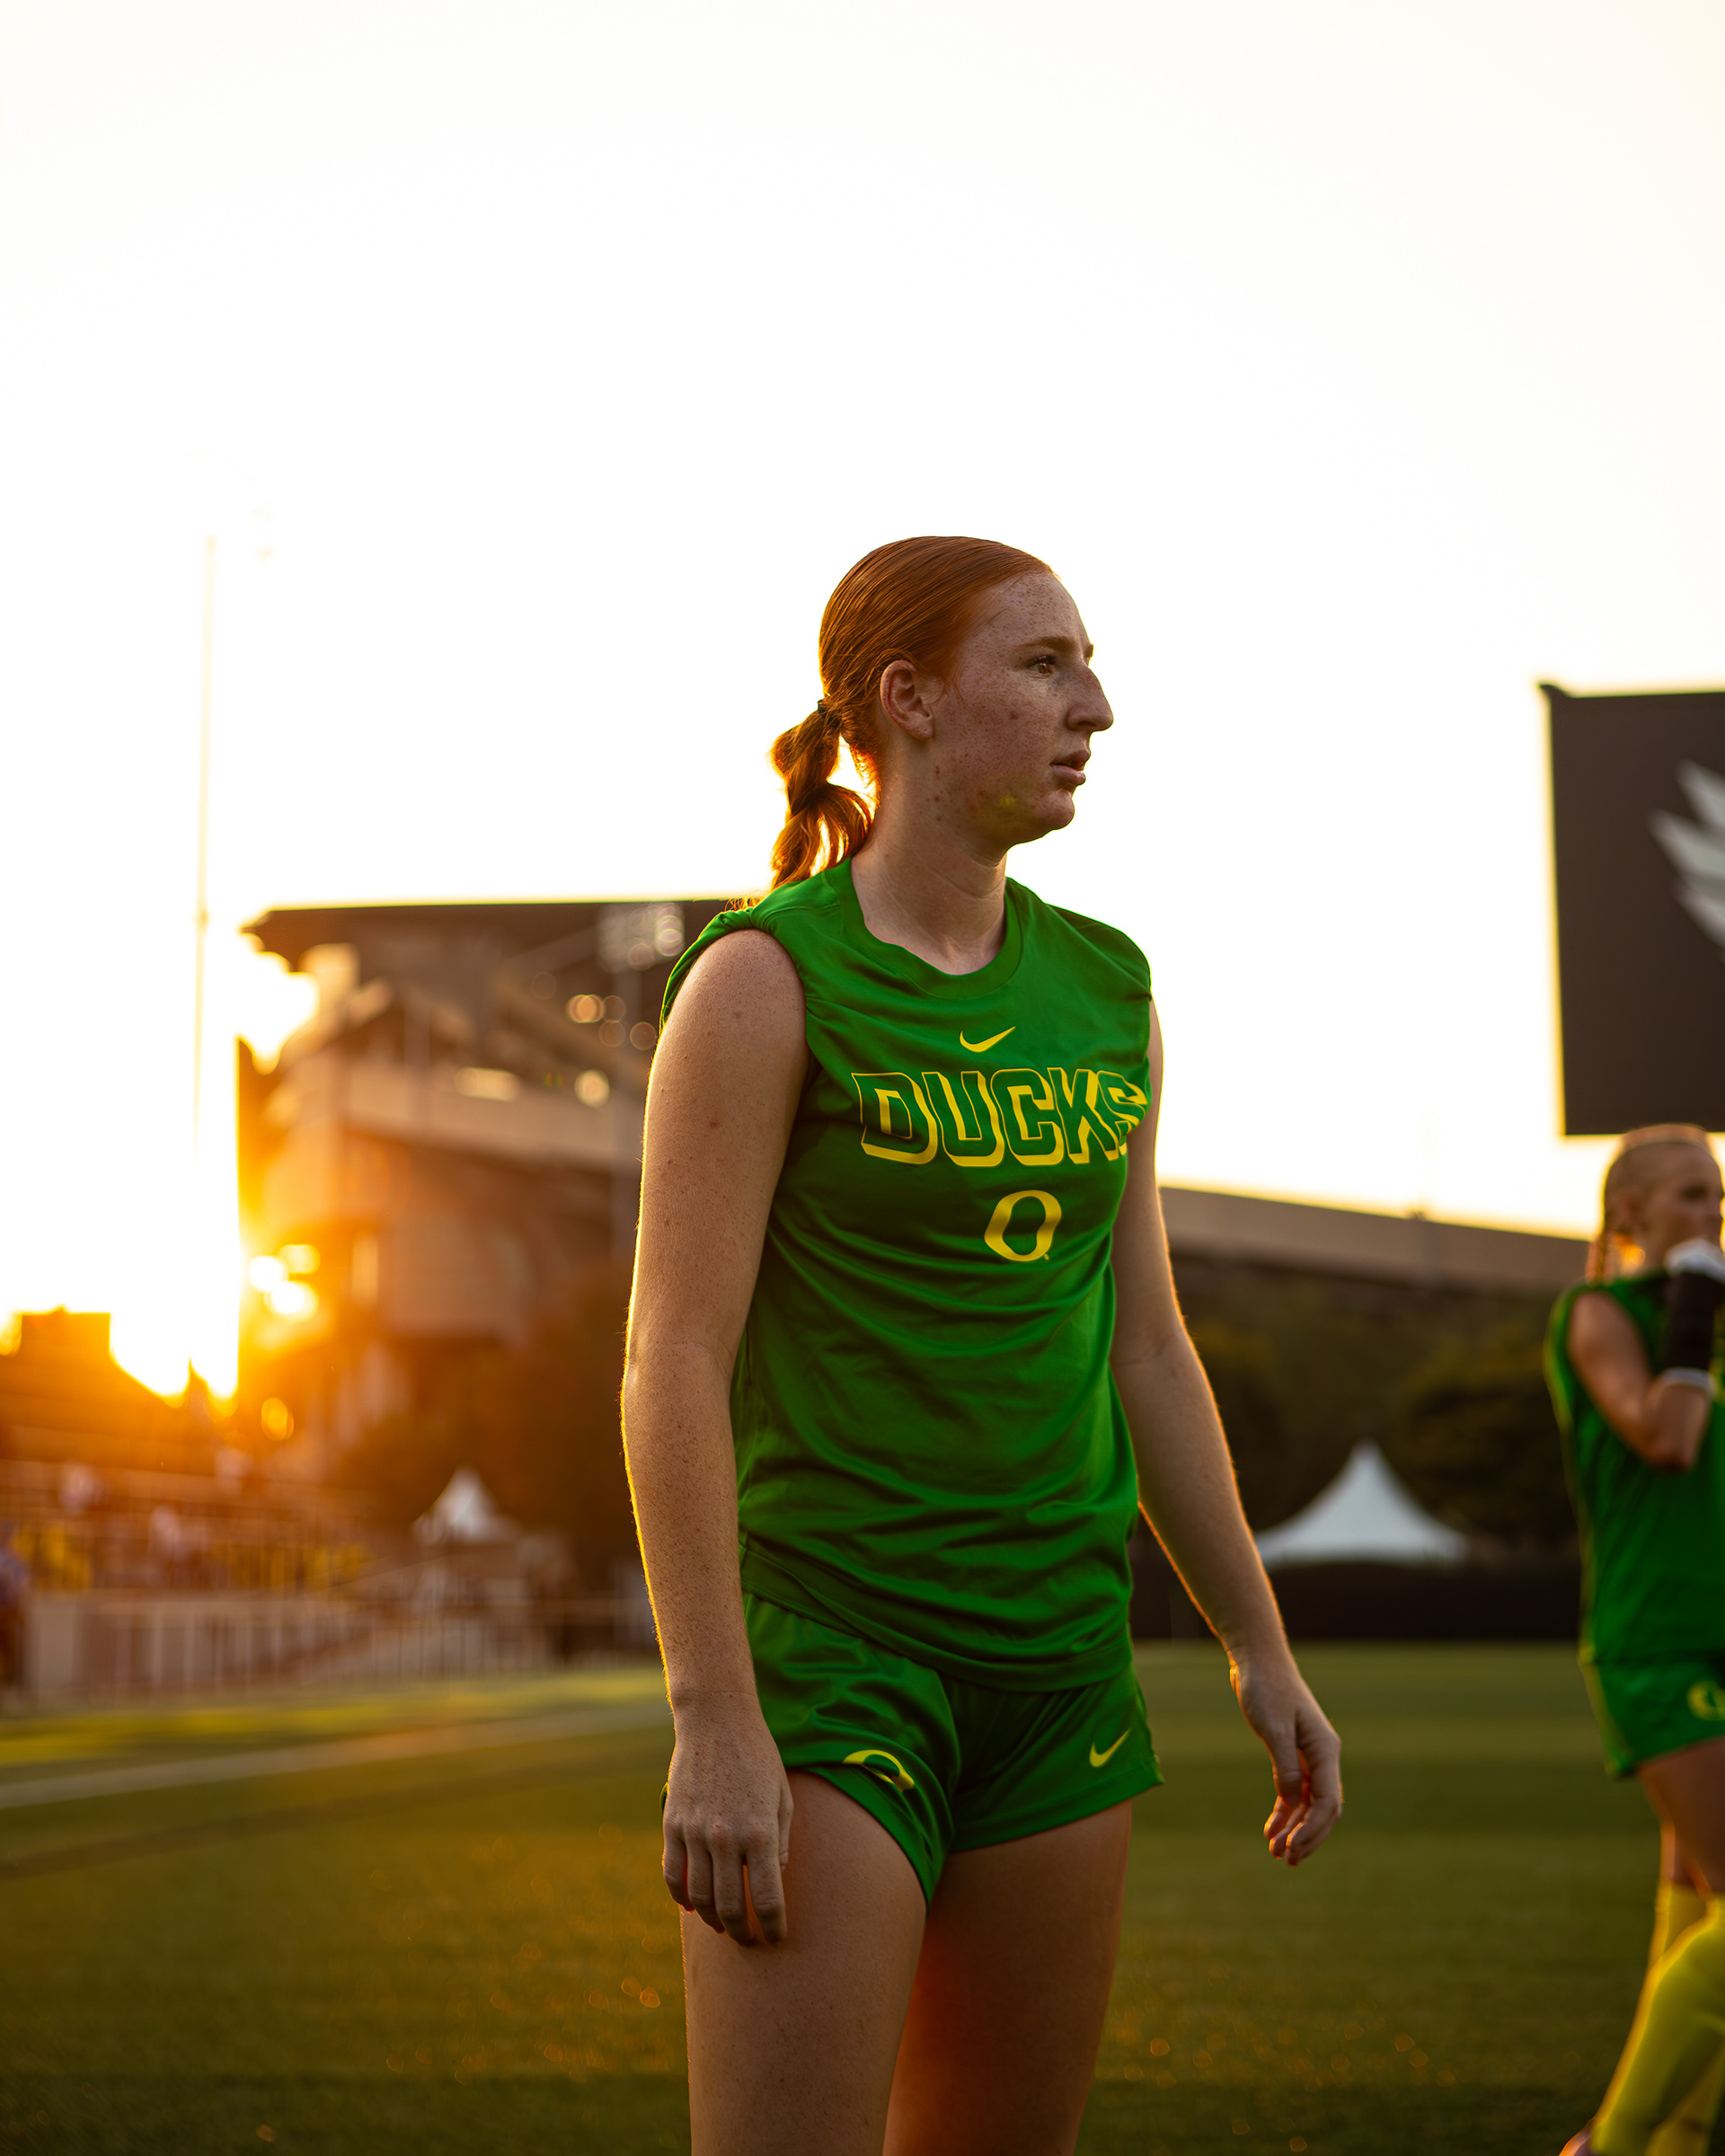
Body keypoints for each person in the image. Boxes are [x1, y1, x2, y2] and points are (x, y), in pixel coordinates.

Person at [622, 535, 1343, 2156]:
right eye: (1044, 664)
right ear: (911, 699)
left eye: (1087, 663)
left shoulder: (1110, 987)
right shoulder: (762, 980)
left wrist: (1259, 1642)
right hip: (835, 1667)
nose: (1096, 706)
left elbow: (1147, 1349)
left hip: (1061, 1668)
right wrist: (715, 1712)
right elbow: (671, 1357)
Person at [1547, 1126, 1725, 2156]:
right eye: (1692, 1195)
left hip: (1718, 1632)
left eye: (1719, 1196)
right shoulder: (1599, 1313)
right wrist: (1693, 1308)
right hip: (1658, 1640)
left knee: (1698, 1916)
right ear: (1631, 1213)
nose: (1713, 1213)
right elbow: (1668, 1436)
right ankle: (1610, 2148)